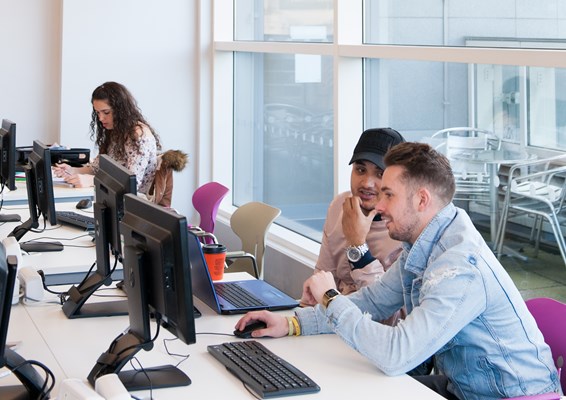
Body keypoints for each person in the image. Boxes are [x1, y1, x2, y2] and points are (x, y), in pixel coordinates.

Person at [235, 142, 560, 399]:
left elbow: (396, 354)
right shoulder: (424, 244)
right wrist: (291, 323)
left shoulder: (460, 265)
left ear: (421, 200)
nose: (379, 205)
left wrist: (331, 298)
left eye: (389, 194)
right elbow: (372, 302)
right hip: (462, 389)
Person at [300, 128, 404, 308]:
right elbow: (323, 276)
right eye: (360, 169)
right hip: (331, 317)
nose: (366, 183)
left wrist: (357, 244)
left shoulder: (403, 229)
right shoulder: (339, 206)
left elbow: (383, 309)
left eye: (380, 174)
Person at [53, 81, 161, 194]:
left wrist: (92, 181)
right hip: (110, 196)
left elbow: (132, 183)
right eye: (97, 113)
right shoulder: (116, 131)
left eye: (106, 112)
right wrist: (72, 170)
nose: (100, 118)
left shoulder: (139, 135)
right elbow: (96, 168)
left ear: (121, 110)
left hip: (131, 203)